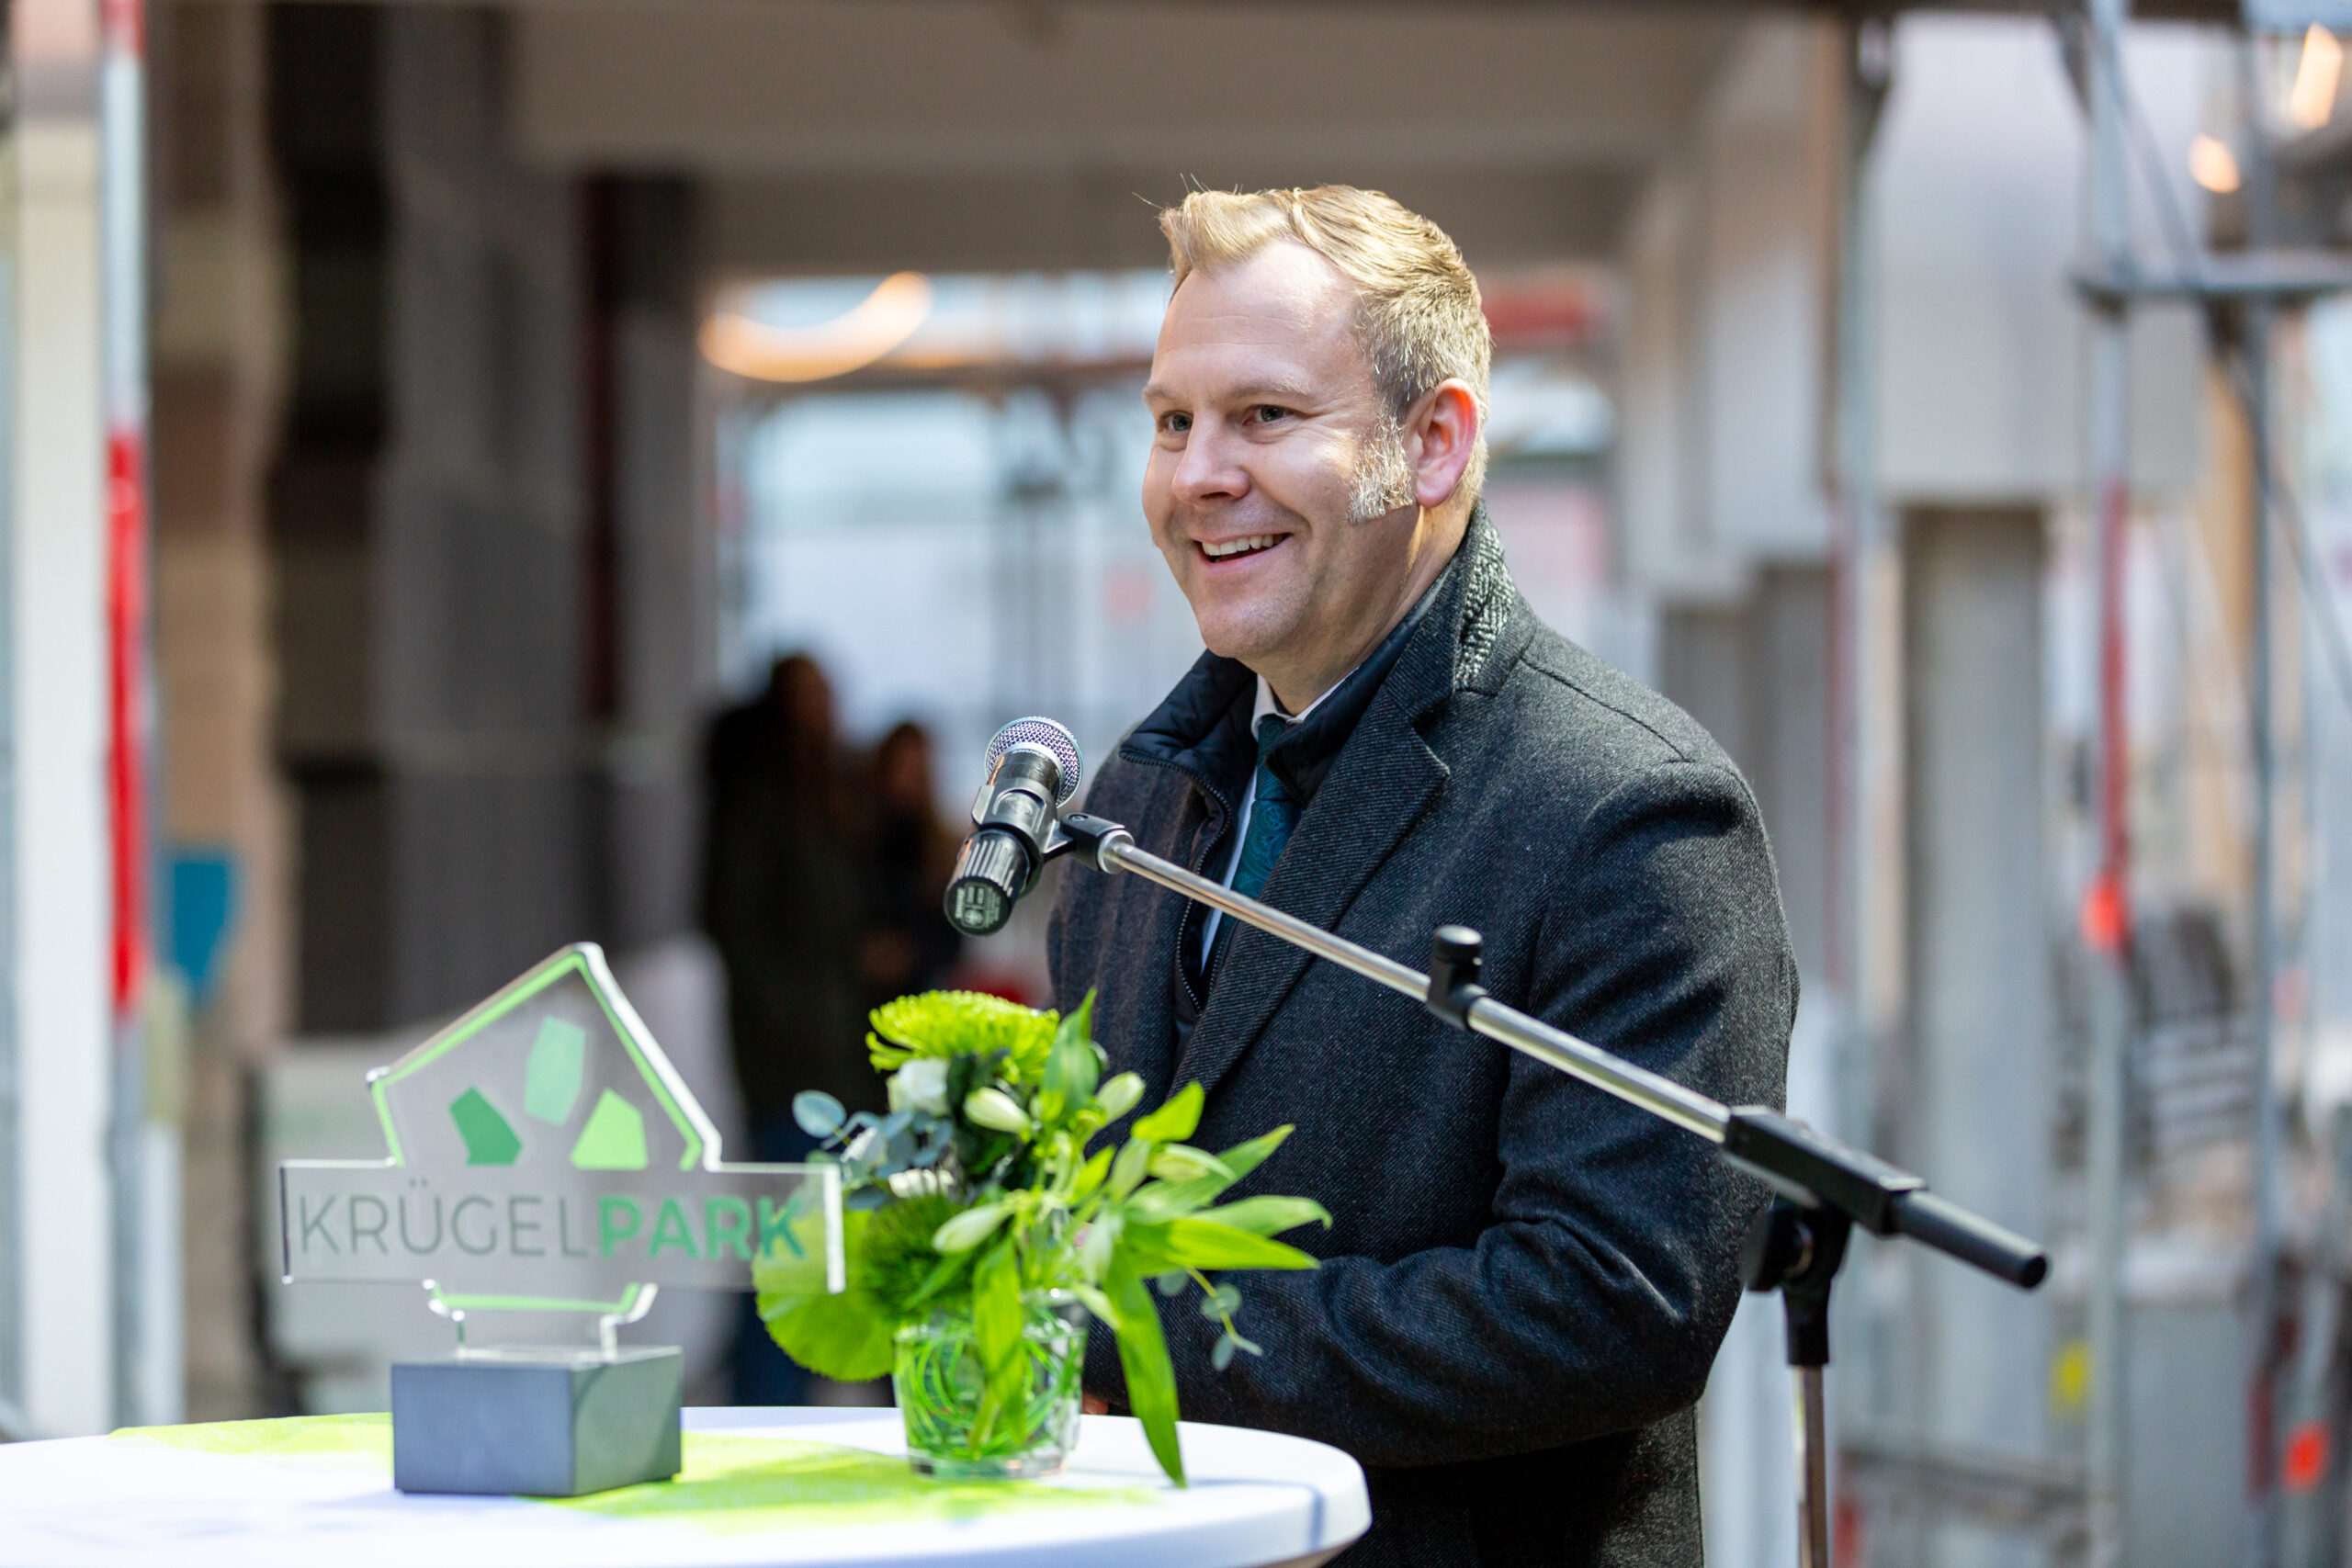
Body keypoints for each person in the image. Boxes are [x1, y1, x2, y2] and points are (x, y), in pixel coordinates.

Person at [1048, 187, 1794, 1565]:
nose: (1198, 472)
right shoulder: (1135, 800)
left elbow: (1610, 1299)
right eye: (1171, 420)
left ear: (1434, 444)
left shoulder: (1627, 810)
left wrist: (1152, 1342)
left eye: (1265, 416)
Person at [698, 651, 869, 1404]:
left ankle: (783, 1391)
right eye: (814, 694)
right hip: (789, 1067)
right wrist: (799, 1027)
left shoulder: (821, 797)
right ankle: (763, 1402)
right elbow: (739, 929)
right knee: (783, 1241)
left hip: (832, 1056)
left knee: (812, 1233)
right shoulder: (759, 804)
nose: (829, 707)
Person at [856, 720, 965, 1010]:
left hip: (920, 999)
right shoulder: (858, 839)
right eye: (902, 767)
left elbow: (953, 938)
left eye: (918, 769)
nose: (909, 779)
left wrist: (910, 955)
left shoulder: (937, 849)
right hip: (857, 1001)